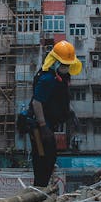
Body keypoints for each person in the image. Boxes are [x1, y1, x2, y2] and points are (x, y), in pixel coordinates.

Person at [27, 40, 82, 187]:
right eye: (64, 64)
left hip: (48, 125)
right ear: (56, 62)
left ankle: (42, 190)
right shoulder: (47, 78)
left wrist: (70, 114)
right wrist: (43, 126)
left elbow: (58, 101)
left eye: (68, 65)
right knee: (43, 161)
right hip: (39, 128)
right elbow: (36, 102)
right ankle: (39, 191)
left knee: (50, 159)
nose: (66, 67)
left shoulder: (59, 78)